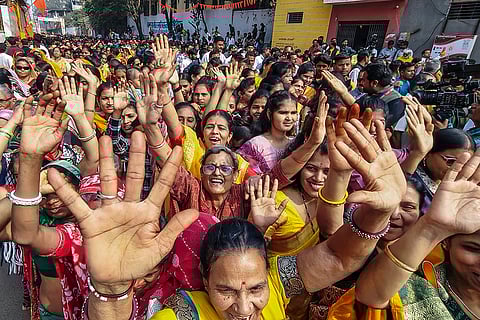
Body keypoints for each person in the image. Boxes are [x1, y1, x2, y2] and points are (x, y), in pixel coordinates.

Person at [57, 111, 408, 320]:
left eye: (255, 288)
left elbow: (337, 254)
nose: (244, 308)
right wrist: (112, 290)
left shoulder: (276, 282)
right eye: (225, 290)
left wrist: (379, 213)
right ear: (205, 280)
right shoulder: (183, 313)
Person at [330, 150, 480, 320]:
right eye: (473, 249)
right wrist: (431, 228)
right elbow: (369, 297)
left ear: (419, 213)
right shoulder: (417, 285)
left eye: (408, 207)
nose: (394, 214)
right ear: (446, 242)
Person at [237, 91, 297, 174]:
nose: (289, 118)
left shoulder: (295, 144)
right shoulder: (255, 145)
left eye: (293, 113)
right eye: (283, 113)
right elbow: (240, 174)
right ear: (269, 114)